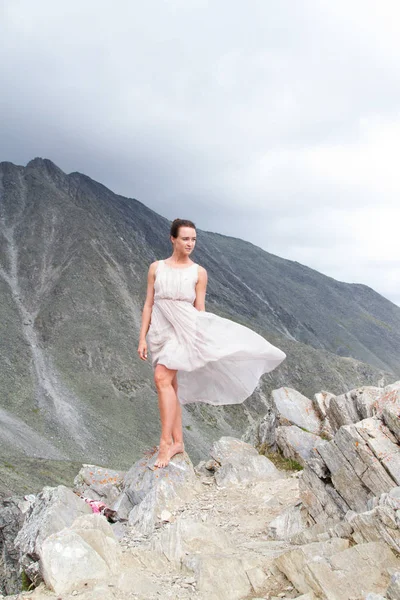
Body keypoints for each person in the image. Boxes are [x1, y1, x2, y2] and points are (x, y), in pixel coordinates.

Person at [137, 218, 286, 468]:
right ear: (172, 238)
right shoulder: (156, 268)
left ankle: (165, 444)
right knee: (171, 385)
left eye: (193, 239)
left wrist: (200, 341)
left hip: (185, 330)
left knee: (162, 379)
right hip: (160, 331)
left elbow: (200, 310)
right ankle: (179, 442)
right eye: (185, 238)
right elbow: (149, 304)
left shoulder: (198, 272)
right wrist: (142, 337)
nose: (190, 243)